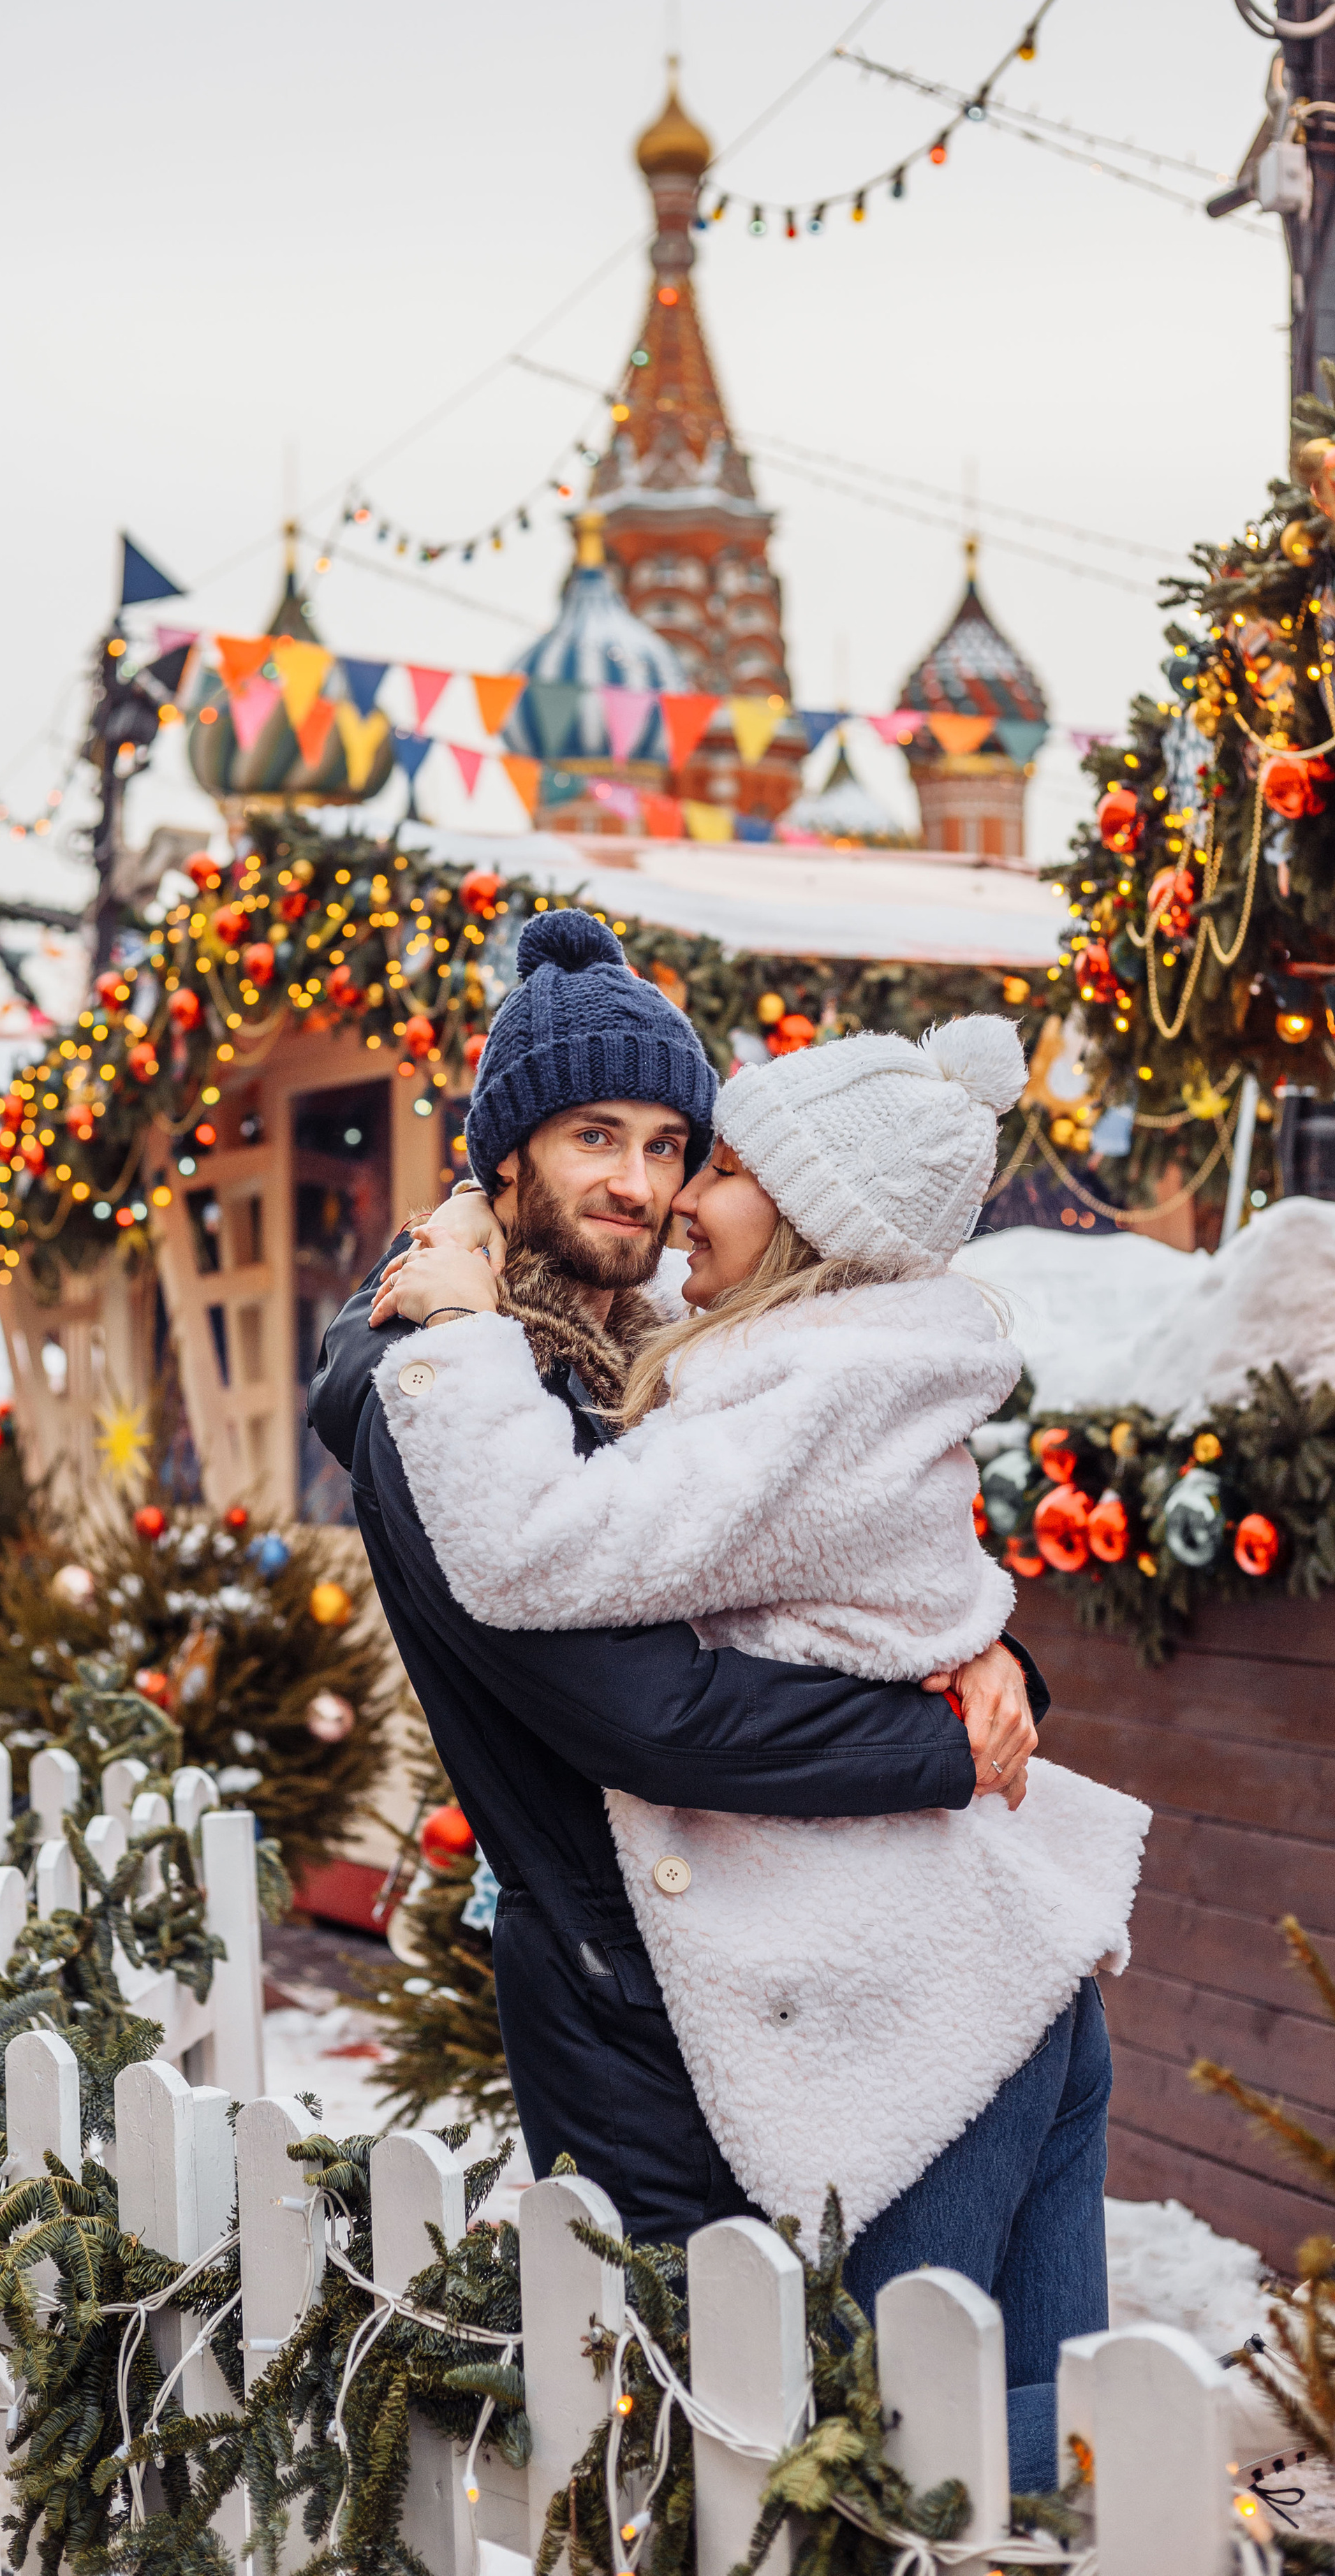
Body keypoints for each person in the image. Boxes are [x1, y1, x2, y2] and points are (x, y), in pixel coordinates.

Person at [369, 1001, 1145, 2490]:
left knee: (912, 2462)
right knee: (1043, 2443)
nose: (671, 1202)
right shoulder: (825, 1365)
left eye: (704, 1164)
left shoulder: (810, 1390)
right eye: (621, 1145)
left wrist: (461, 1335)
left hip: (921, 2013)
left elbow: (538, 1546)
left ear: (798, 1217)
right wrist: (978, 1657)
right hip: (976, 1974)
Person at [306, 911, 1040, 2225]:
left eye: (668, 1145)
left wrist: (976, 1645)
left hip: (739, 1963)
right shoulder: (435, 1390)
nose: (642, 1185)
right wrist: (942, 1744)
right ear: (509, 1155)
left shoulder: (637, 1364)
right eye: (595, 1136)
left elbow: (784, 1581)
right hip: (624, 1991)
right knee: (698, 2406)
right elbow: (657, 1717)